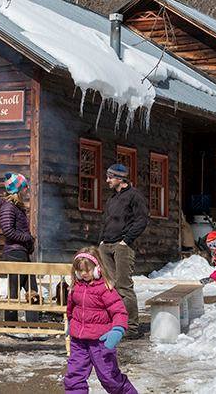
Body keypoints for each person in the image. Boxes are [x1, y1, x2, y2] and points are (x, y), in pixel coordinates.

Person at [64, 248, 138, 394]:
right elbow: (71, 309)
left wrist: (117, 330)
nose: (84, 274)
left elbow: (119, 312)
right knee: (74, 377)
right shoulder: (75, 288)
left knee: (109, 378)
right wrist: (72, 323)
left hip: (101, 341)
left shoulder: (105, 289)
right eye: (80, 270)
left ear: (98, 269)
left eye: (88, 270)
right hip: (79, 341)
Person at [99, 162, 149, 338]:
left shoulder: (134, 196)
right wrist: (102, 242)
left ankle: (132, 327)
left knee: (123, 286)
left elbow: (142, 220)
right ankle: (117, 323)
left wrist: (126, 241)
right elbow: (107, 221)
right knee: (110, 287)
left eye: (110, 177)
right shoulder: (112, 198)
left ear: (119, 179)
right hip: (107, 246)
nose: (107, 180)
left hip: (122, 247)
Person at [0, 172, 35, 322]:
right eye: (25, 187)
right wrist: (27, 237)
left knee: (32, 290)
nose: (27, 190)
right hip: (14, 253)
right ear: (18, 189)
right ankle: (10, 324)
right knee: (14, 290)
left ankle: (34, 325)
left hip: (21, 253)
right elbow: (7, 230)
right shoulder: (9, 207)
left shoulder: (16, 207)